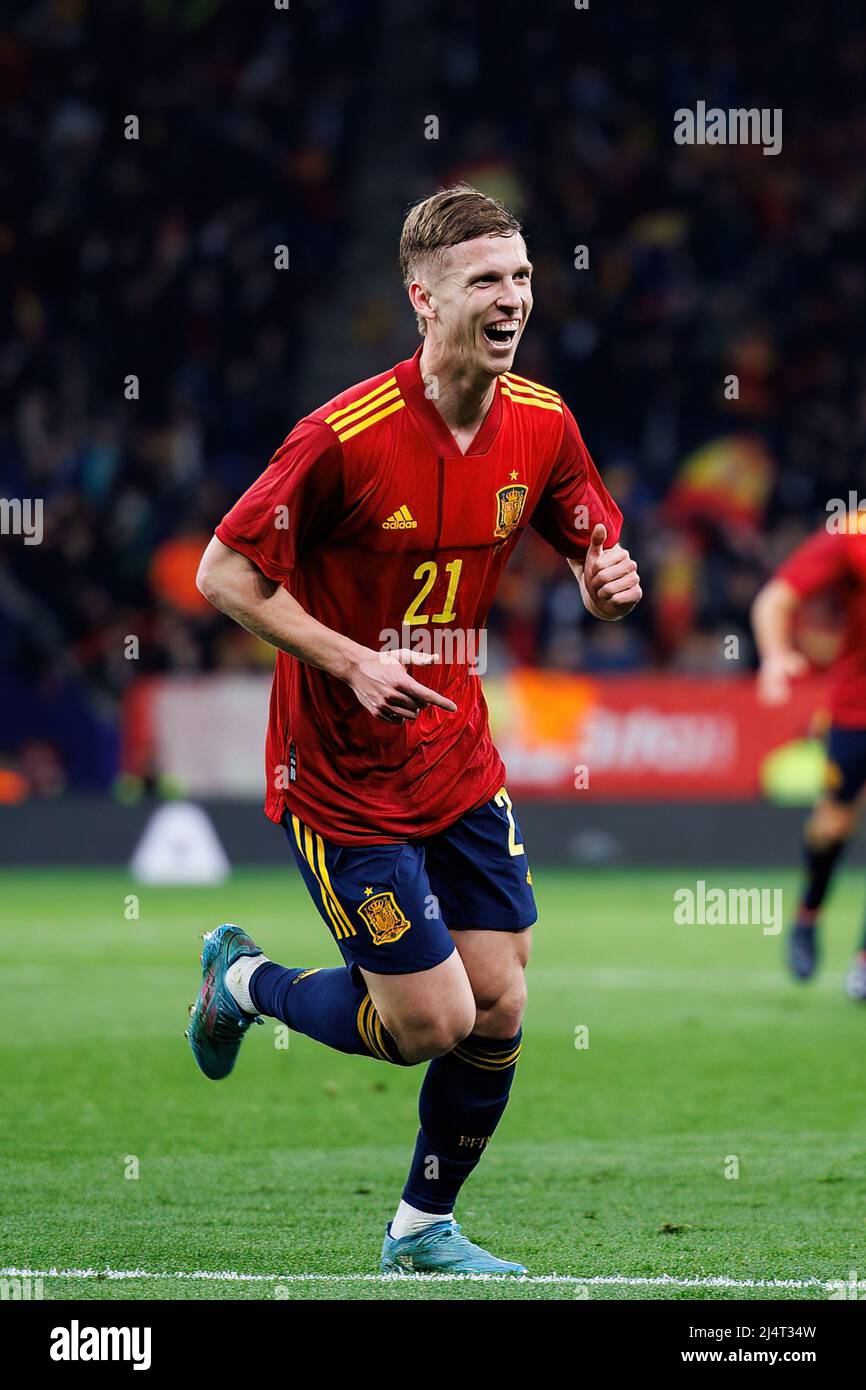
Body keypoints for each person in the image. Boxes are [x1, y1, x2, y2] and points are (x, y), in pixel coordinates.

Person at [187, 185, 641, 1274]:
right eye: (486, 279)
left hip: (457, 758)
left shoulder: (542, 420)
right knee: (428, 1022)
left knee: (499, 999)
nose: (512, 298)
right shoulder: (341, 438)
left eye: (522, 276)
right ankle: (241, 983)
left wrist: (601, 576)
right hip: (340, 776)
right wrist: (347, 656)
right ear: (421, 297)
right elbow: (224, 573)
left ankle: (420, 1228)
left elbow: (585, 531)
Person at [752, 515, 866, 998]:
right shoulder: (855, 532)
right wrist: (776, 656)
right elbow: (775, 599)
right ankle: (807, 914)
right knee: (833, 824)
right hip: (857, 707)